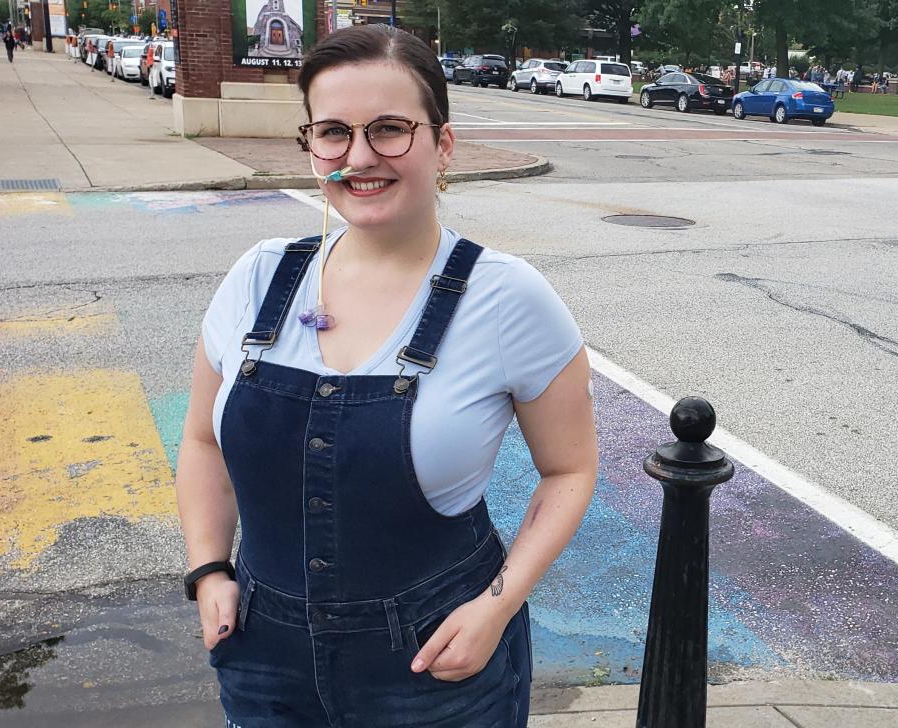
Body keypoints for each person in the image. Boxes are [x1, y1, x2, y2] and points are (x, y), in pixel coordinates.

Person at [177, 23, 598, 728]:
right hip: (261, 661)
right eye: (332, 132)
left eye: (390, 129)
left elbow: (569, 470)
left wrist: (496, 608)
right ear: (310, 144)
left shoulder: (506, 298)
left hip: (435, 667)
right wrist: (208, 568)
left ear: (443, 144)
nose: (359, 156)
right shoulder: (256, 278)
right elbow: (201, 442)